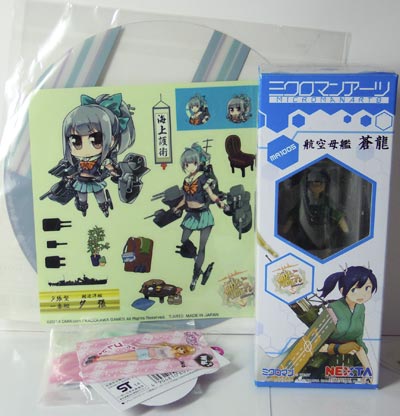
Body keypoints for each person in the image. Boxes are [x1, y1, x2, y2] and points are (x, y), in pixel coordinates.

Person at [62, 93, 135, 217]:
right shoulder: (77, 161)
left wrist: (113, 171)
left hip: (96, 180)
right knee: (82, 197)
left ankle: (104, 208)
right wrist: (70, 176)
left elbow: (110, 169)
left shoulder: (103, 160)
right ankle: (83, 208)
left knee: (100, 196)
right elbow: (75, 170)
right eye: (75, 141)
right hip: (81, 181)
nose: (85, 149)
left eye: (95, 139)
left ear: (111, 140)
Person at [303, 266, 377, 382]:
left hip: (351, 357)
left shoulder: (360, 308)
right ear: (343, 290)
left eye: (367, 288)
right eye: (355, 289)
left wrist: (368, 369)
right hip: (327, 358)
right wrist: (337, 348)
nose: (362, 294)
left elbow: (358, 340)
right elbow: (316, 341)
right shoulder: (332, 308)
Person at [173, 144, 226, 290]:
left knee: (202, 247)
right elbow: (184, 199)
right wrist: (177, 207)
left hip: (204, 215)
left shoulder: (203, 178)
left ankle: (195, 277)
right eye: (186, 164)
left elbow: (211, 194)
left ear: (197, 163)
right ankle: (197, 260)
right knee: (184, 240)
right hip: (190, 214)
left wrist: (220, 203)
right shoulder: (186, 180)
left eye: (192, 163)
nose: (189, 166)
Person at [84, 343, 196, 366]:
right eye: (182, 348)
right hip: (145, 351)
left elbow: (181, 362)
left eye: (183, 351)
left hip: (147, 356)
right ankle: (98, 358)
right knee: (120, 356)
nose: (181, 350)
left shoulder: (174, 356)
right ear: (180, 346)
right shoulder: (167, 346)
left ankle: (98, 359)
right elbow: (154, 345)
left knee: (121, 359)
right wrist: (141, 345)